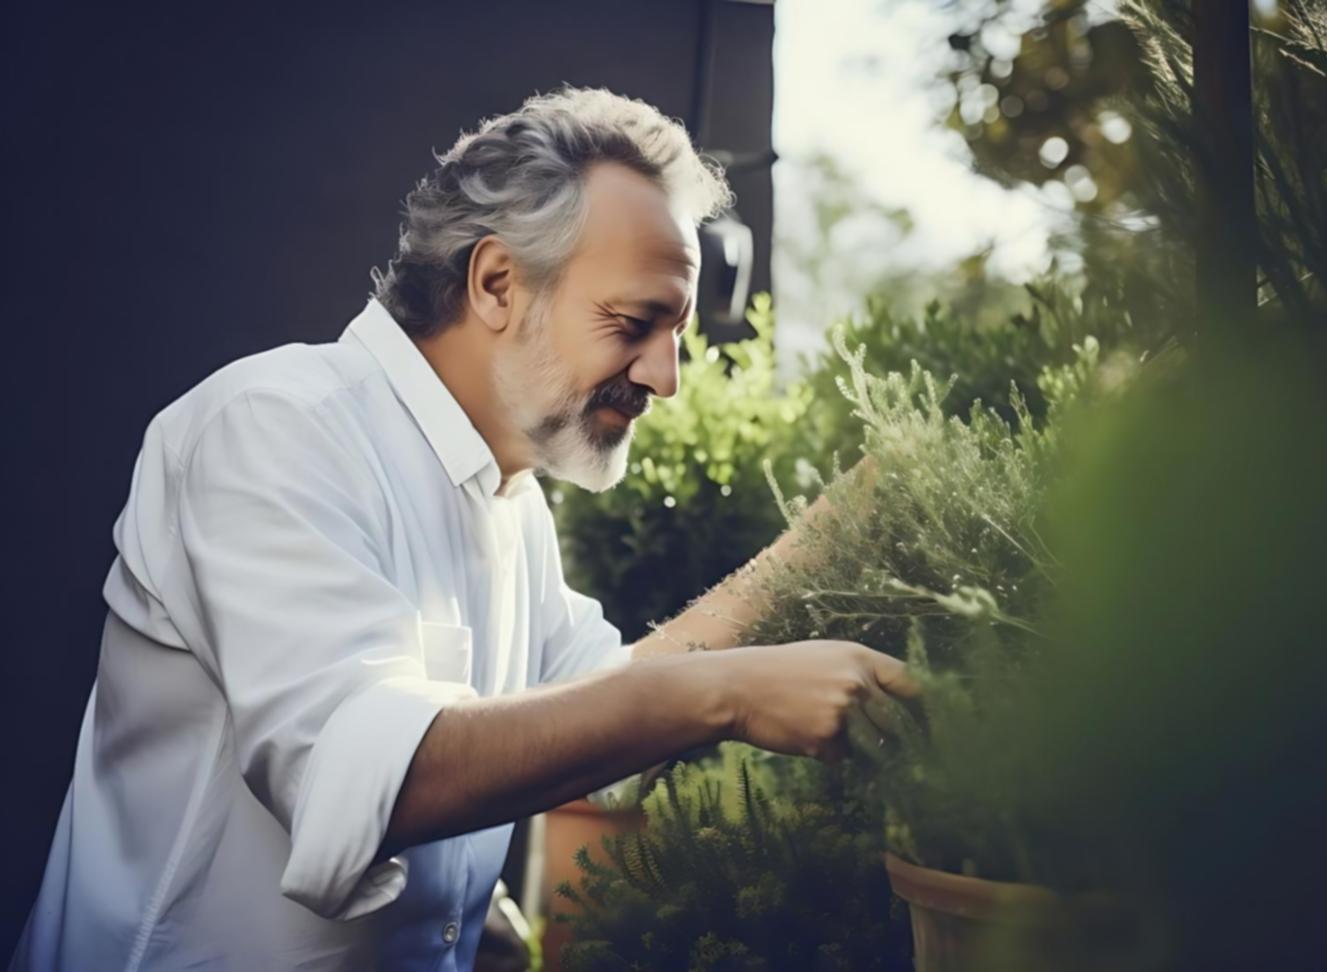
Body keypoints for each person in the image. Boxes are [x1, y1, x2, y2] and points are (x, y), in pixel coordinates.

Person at [10, 86, 916, 971]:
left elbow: (607, 708)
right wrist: (730, 693)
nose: (665, 377)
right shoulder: (269, 427)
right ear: (494, 282)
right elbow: (374, 776)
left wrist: (825, 539)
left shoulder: (512, 504)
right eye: (634, 322)